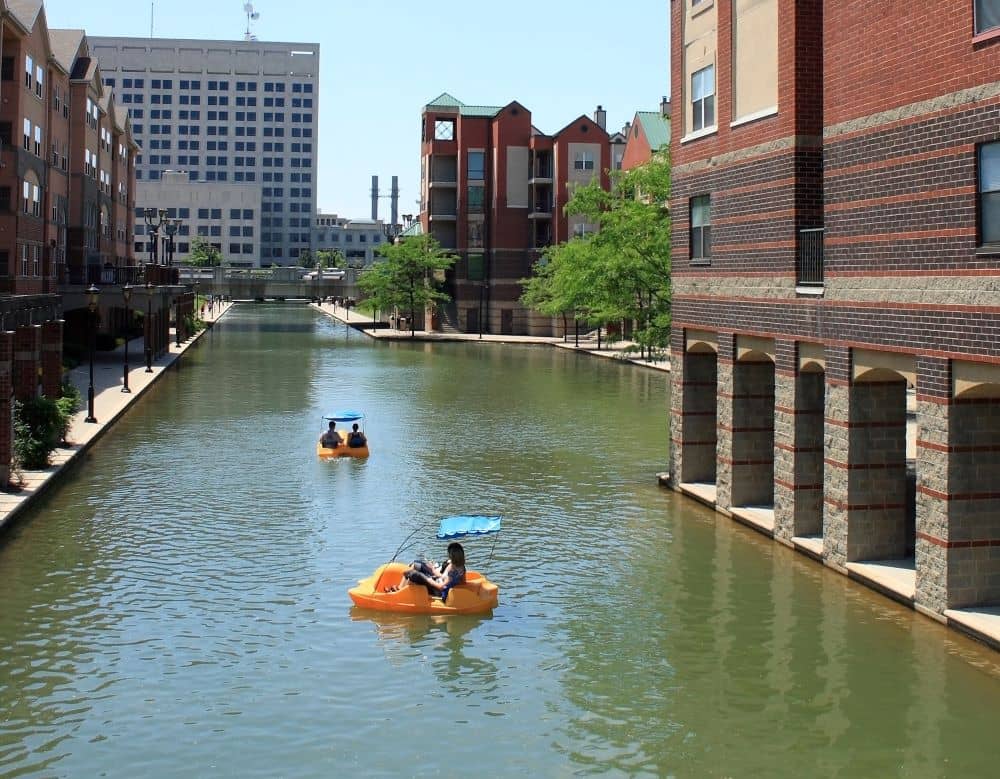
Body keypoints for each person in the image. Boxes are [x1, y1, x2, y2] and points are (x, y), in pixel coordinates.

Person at [385, 542, 466, 599]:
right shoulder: (461, 567)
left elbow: (441, 587)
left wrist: (429, 580)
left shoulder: (453, 571)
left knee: (412, 574)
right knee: (416, 564)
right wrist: (433, 570)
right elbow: (462, 582)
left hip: (437, 590)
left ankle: (398, 594)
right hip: (437, 580)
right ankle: (399, 589)